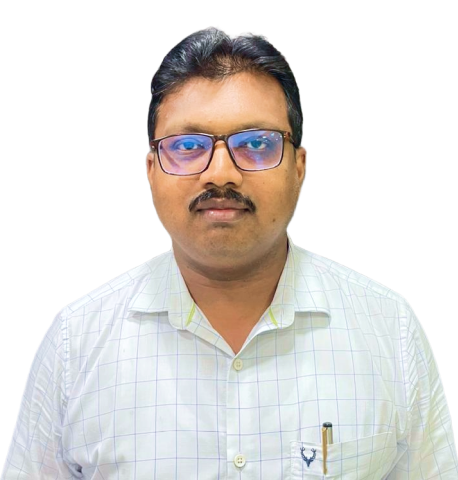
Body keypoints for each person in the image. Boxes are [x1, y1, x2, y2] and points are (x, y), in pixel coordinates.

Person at [2, 25, 456, 480]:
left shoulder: (388, 328)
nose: (220, 174)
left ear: (300, 167)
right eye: (187, 146)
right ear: (150, 170)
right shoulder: (76, 341)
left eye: (256, 144)